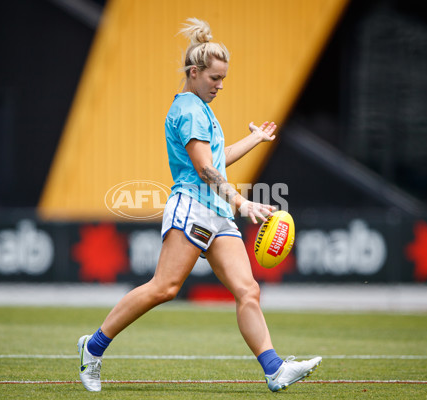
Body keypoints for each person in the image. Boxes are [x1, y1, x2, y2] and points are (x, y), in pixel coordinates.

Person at [77, 18, 321, 393]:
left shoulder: (202, 109)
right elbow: (206, 169)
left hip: (217, 211)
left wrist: (253, 140)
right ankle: (92, 348)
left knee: (248, 290)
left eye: (224, 79)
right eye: (215, 79)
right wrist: (241, 201)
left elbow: (217, 161)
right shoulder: (190, 108)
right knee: (165, 288)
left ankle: (274, 369)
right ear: (194, 72)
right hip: (193, 205)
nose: (221, 86)